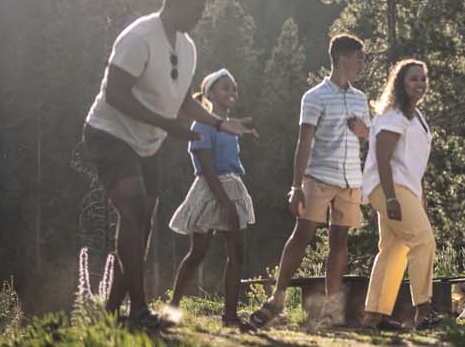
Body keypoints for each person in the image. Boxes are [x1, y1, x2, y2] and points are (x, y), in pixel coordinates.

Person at [82, 0, 254, 327]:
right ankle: (140, 310)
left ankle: (113, 312)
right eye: (197, 9)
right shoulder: (138, 37)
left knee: (141, 223)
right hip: (109, 134)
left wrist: (220, 124)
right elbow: (114, 94)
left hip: (148, 143)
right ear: (174, 3)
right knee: (131, 209)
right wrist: (165, 124)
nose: (201, 17)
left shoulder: (188, 48)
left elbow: (184, 102)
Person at [249, 34, 371, 330]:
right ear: (342, 58)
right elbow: (303, 143)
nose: (361, 65)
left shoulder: (360, 98)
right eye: (358, 59)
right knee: (302, 234)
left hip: (351, 180)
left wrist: (364, 132)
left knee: (339, 241)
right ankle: (276, 301)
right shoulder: (314, 96)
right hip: (318, 176)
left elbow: (369, 136)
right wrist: (296, 186)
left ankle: (331, 310)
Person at [166, 69, 257, 326]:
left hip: (233, 186)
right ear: (210, 94)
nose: (232, 93)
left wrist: (232, 200)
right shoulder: (202, 124)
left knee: (237, 253)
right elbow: (206, 169)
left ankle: (229, 315)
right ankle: (172, 307)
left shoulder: (231, 126)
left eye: (233, 89)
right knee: (198, 252)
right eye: (225, 88)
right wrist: (225, 203)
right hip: (210, 189)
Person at [360, 59, 436, 331]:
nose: (420, 83)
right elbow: (382, 156)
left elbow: (414, 162)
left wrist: (420, 196)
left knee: (393, 249)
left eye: (423, 79)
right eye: (413, 79)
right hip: (387, 187)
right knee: (423, 240)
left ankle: (374, 316)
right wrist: (391, 197)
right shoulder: (393, 114)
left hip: (407, 189)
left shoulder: (416, 116)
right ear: (400, 84)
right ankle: (423, 310)